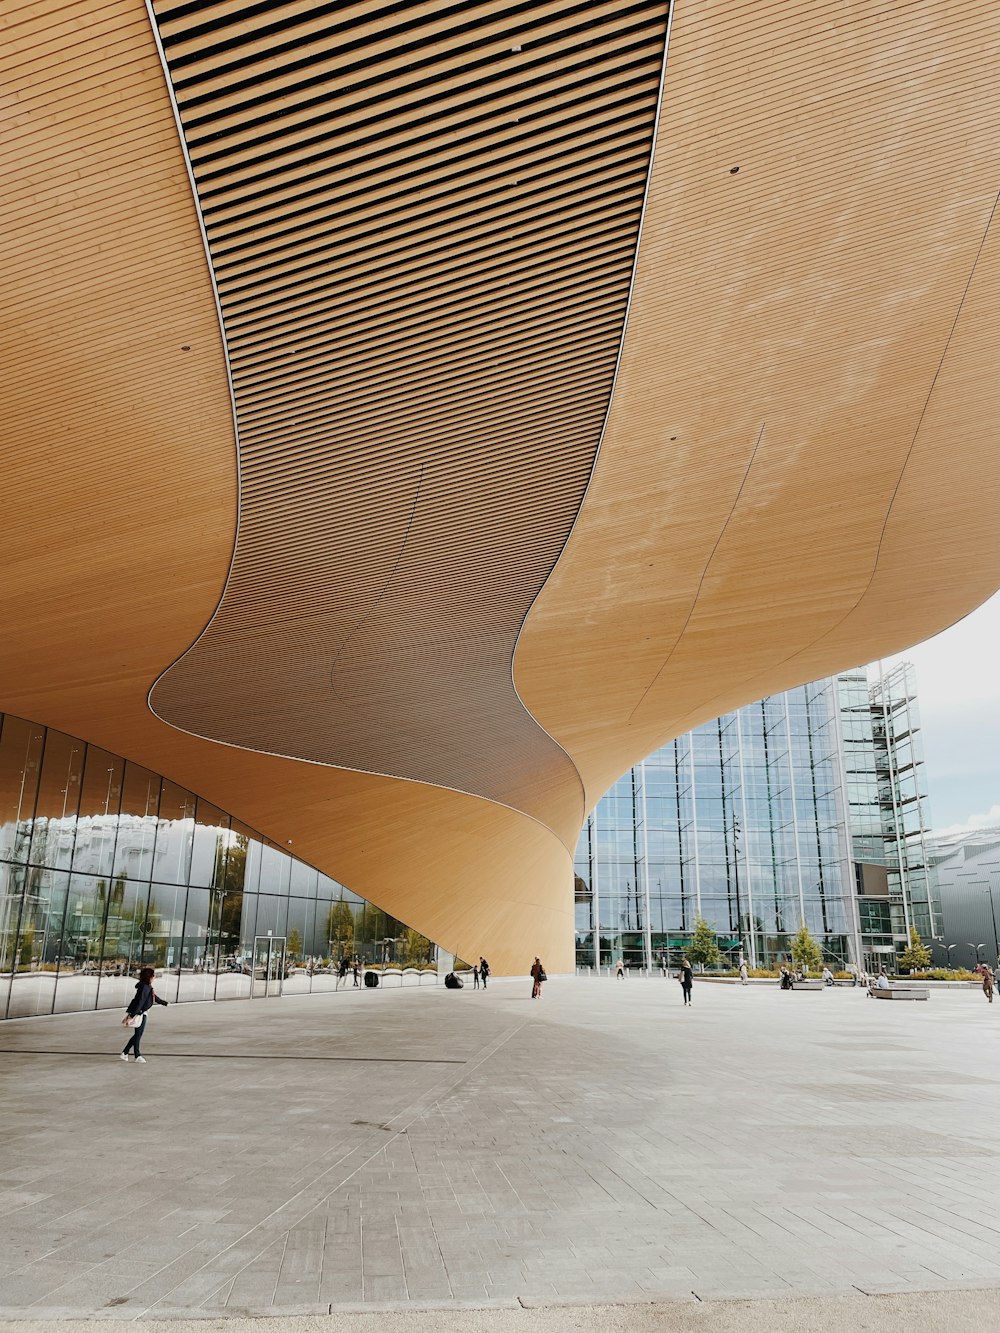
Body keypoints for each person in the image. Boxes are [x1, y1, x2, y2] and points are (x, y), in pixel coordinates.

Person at [120, 966, 167, 1063]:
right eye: (153, 976)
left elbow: (153, 997)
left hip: (141, 1012)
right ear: (149, 977)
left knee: (138, 1034)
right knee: (138, 1034)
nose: (154, 978)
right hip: (140, 1013)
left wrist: (164, 1003)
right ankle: (137, 1055)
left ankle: (125, 1052)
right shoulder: (145, 987)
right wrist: (132, 1016)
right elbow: (140, 1002)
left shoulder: (146, 987)